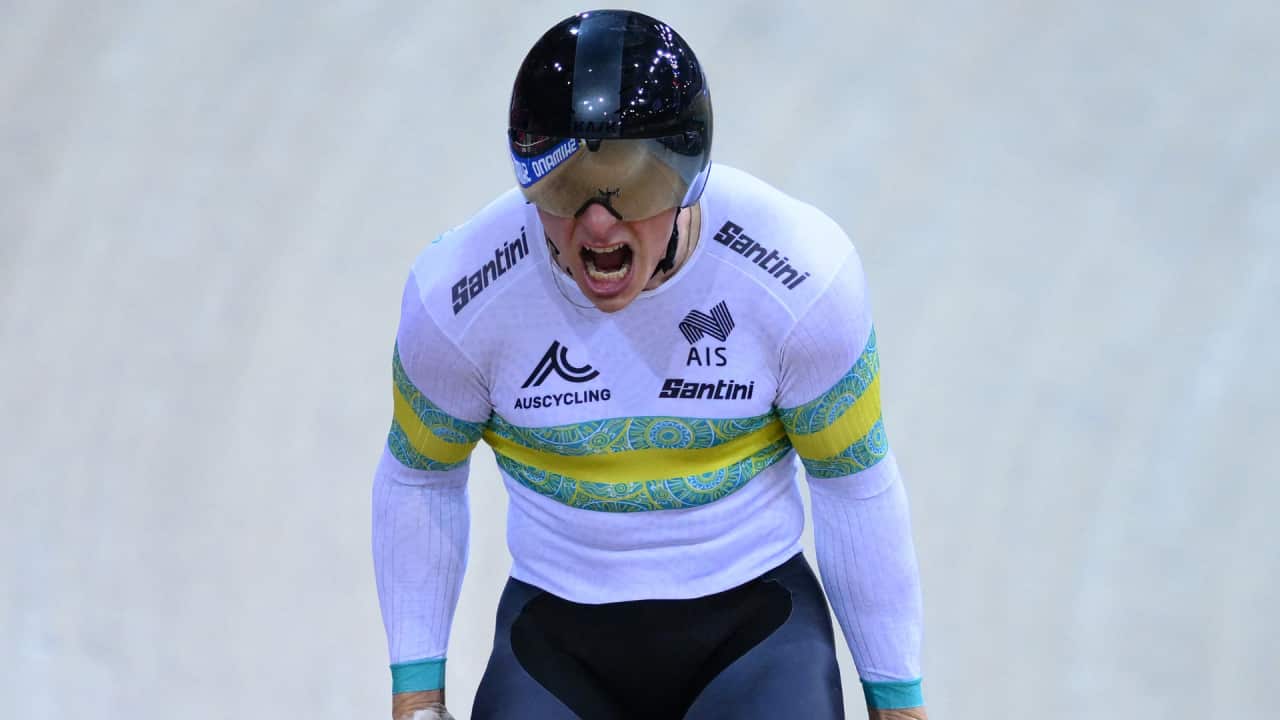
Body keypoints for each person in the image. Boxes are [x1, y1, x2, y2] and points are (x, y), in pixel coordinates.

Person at [372, 9, 927, 720]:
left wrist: (898, 706)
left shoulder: (800, 279)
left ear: (688, 178)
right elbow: (420, 477)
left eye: (629, 188)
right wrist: (417, 701)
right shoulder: (458, 296)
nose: (597, 224)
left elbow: (852, 485)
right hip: (558, 643)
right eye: (565, 189)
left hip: (754, 636)